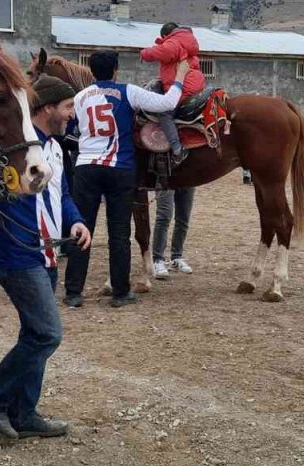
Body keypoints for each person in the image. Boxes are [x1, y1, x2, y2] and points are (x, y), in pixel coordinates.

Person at [0, 74, 92, 439]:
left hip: (47, 256)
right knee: (48, 334)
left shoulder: (54, 150)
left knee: (34, 332)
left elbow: (62, 194)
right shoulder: (12, 143)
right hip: (20, 256)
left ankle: (24, 412)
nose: (71, 115)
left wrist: (77, 221)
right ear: (47, 106)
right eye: (67, 107)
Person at [65, 51, 190, 308]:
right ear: (115, 71)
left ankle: (73, 292)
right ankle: (121, 292)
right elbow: (168, 103)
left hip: (86, 168)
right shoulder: (128, 91)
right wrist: (180, 76)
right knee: (119, 232)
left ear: (92, 72)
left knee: (80, 229)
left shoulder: (79, 98)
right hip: (119, 168)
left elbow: (70, 128)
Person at [139, 23, 206, 165]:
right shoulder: (188, 43)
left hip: (183, 86)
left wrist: (143, 53)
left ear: (165, 36)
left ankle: (177, 148)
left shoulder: (173, 43)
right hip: (194, 84)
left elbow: (159, 52)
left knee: (164, 112)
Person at [151, 188, 195, 279]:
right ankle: (158, 260)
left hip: (188, 178)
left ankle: (176, 257)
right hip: (166, 178)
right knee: (164, 216)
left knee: (183, 218)